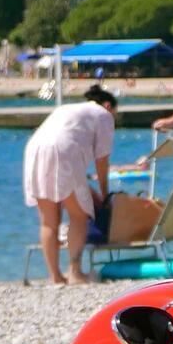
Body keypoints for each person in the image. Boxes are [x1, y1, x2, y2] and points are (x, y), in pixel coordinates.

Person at [25, 86, 118, 285]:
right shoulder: (104, 115)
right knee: (79, 215)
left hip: (35, 149)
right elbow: (102, 160)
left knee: (49, 221)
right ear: (108, 105)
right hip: (63, 151)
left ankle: (55, 276)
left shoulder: (68, 109)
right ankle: (75, 271)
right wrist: (104, 195)